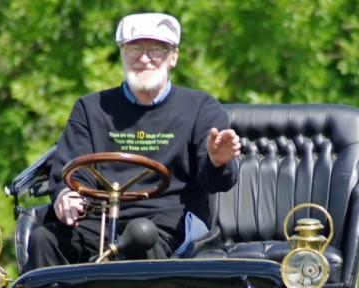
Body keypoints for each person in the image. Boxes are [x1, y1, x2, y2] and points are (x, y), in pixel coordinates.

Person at [25, 12, 241, 270]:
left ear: (173, 57)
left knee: (142, 236)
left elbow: (217, 181)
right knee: (43, 239)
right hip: (99, 222)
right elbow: (71, 169)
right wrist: (66, 195)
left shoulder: (200, 107)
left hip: (166, 224)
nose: (144, 58)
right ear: (122, 54)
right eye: (134, 48)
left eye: (156, 50)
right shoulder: (90, 108)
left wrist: (217, 162)